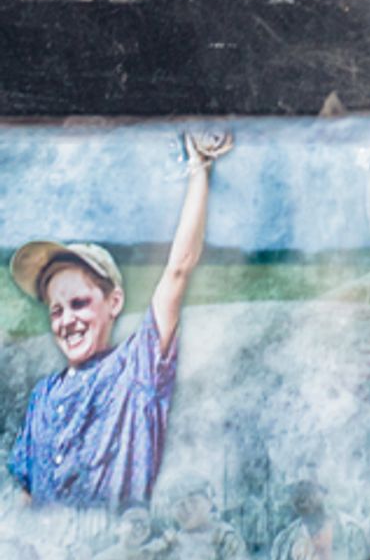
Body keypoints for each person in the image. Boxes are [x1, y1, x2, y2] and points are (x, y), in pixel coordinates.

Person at [8, 131, 232, 507]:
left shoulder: (136, 370)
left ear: (114, 302)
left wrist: (200, 170)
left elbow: (178, 271)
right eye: (56, 310)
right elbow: (26, 495)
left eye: (79, 303)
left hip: (117, 556)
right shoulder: (43, 396)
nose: (67, 321)